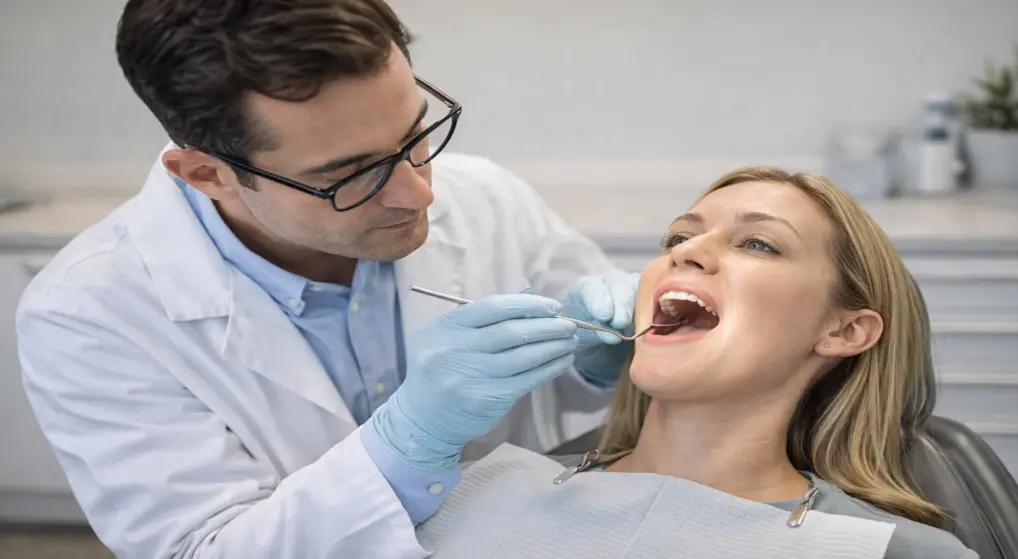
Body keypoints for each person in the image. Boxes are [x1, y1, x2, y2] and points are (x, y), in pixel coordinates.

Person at [14, 1, 640, 558]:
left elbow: (579, 410)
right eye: (350, 174)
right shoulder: (88, 313)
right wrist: (411, 443)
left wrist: (594, 370)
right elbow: (203, 548)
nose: (418, 191)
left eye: (416, 133)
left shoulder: (486, 197)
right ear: (207, 173)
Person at [414, 167, 978, 559]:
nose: (684, 251)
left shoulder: (896, 552)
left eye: (757, 244)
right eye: (679, 236)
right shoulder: (478, 492)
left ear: (843, 330)